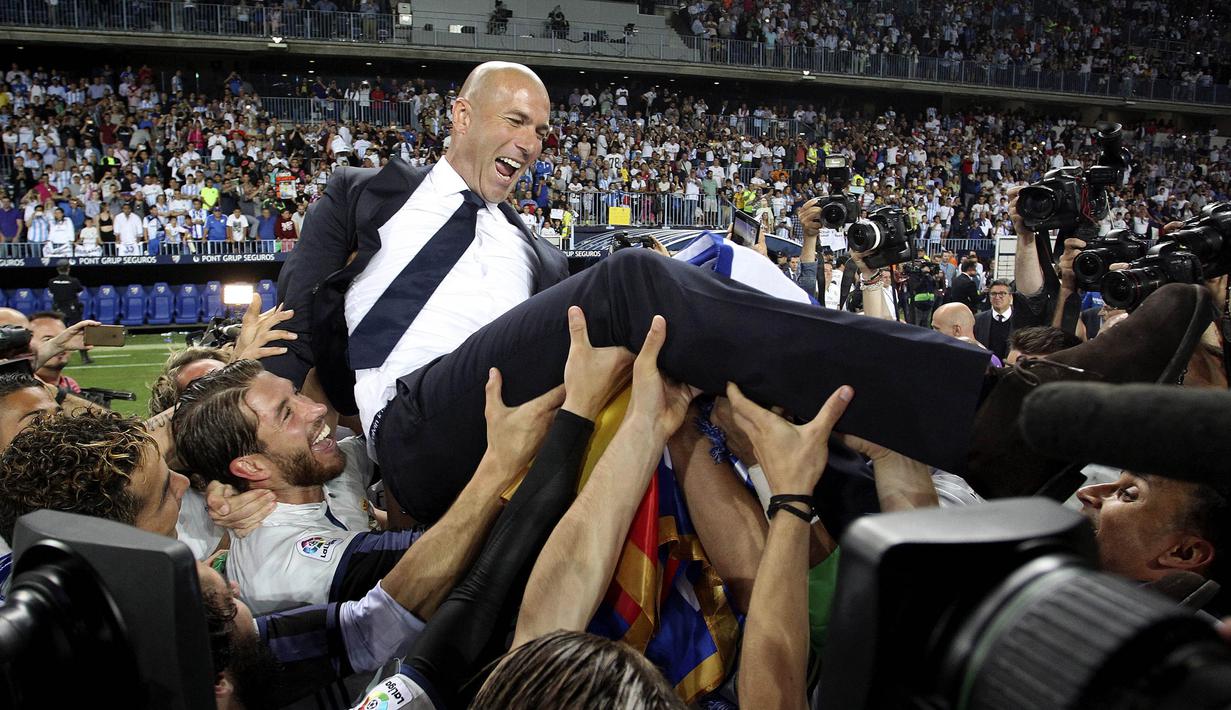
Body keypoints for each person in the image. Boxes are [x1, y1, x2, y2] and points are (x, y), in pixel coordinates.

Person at [266, 61, 990, 526]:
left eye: (543, 131)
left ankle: (878, 506)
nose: (530, 141)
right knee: (633, 281)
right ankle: (956, 395)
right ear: (461, 115)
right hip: (419, 427)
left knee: (694, 348)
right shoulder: (364, 193)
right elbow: (295, 321)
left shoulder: (533, 246)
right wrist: (244, 428)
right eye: (514, 120)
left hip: (538, 416)